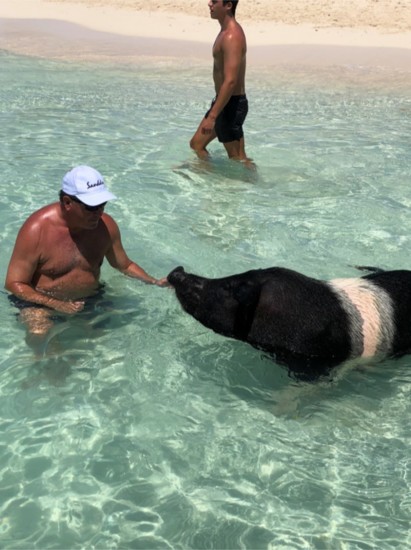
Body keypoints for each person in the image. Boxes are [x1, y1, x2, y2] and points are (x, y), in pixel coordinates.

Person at [5, 165, 169, 351]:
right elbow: (14, 283)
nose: (99, 213)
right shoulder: (37, 230)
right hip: (39, 303)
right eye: (92, 207)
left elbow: (124, 264)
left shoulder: (106, 226)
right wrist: (56, 304)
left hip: (89, 299)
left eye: (102, 205)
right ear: (67, 202)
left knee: (121, 337)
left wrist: (154, 282)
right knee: (41, 336)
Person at [189, 0, 250, 162]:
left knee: (238, 160)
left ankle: (252, 185)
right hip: (224, 102)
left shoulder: (232, 36)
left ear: (228, 5)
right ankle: (208, 183)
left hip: (231, 104)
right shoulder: (225, 32)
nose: (209, 4)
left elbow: (231, 81)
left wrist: (212, 116)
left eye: (215, 1)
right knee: (197, 144)